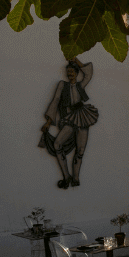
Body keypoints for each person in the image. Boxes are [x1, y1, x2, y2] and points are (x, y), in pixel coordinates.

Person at [40, 58, 99, 188]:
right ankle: (66, 176)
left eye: (72, 71)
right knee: (57, 144)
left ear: (77, 73)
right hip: (69, 119)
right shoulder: (62, 85)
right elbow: (55, 101)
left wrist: (76, 60)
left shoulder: (80, 85)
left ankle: (76, 177)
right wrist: (48, 122)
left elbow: (89, 73)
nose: (70, 74)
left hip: (82, 116)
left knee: (81, 150)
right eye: (68, 71)